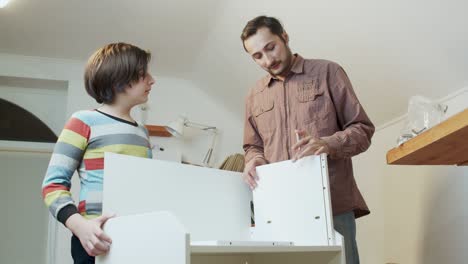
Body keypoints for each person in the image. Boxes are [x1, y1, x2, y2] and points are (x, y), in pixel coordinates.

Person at [241, 16, 375, 264]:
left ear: (285, 37)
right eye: (257, 56)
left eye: (271, 47)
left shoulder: (328, 72)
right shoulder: (253, 95)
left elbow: (363, 129)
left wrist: (327, 144)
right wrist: (254, 158)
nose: (268, 60)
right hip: (278, 209)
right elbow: (252, 145)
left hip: (331, 205)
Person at [41, 42, 155, 263]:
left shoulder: (142, 132)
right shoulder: (83, 121)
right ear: (119, 79)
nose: (152, 80)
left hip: (136, 238)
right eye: (143, 74)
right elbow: (52, 185)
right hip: (96, 240)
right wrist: (80, 226)